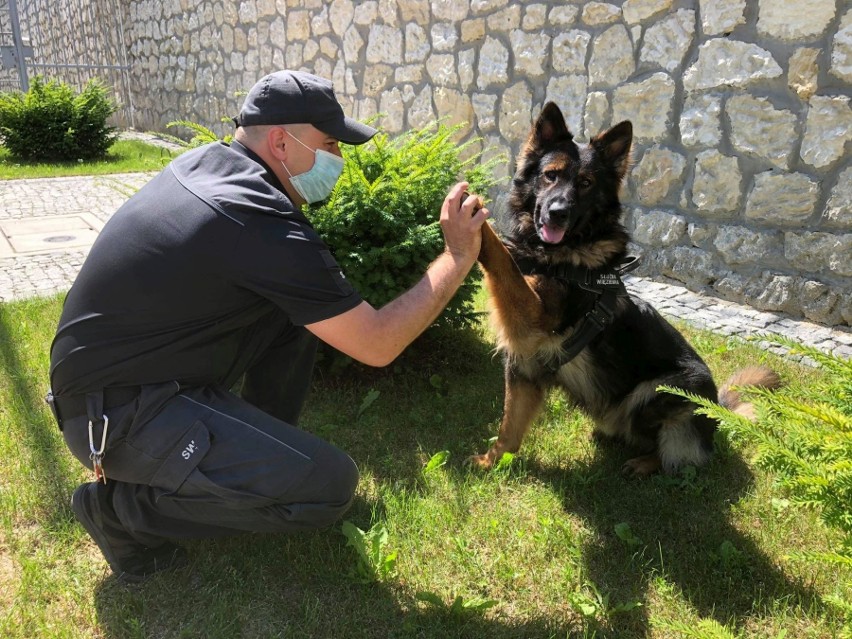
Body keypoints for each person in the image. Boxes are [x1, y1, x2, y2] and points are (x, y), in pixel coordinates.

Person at [47, 70, 489, 582]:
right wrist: (456, 257)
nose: (338, 162)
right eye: (329, 145)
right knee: (330, 486)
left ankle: (247, 461)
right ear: (281, 141)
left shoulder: (215, 167)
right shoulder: (252, 215)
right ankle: (120, 513)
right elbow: (378, 343)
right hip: (117, 416)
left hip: (122, 386)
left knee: (297, 315)